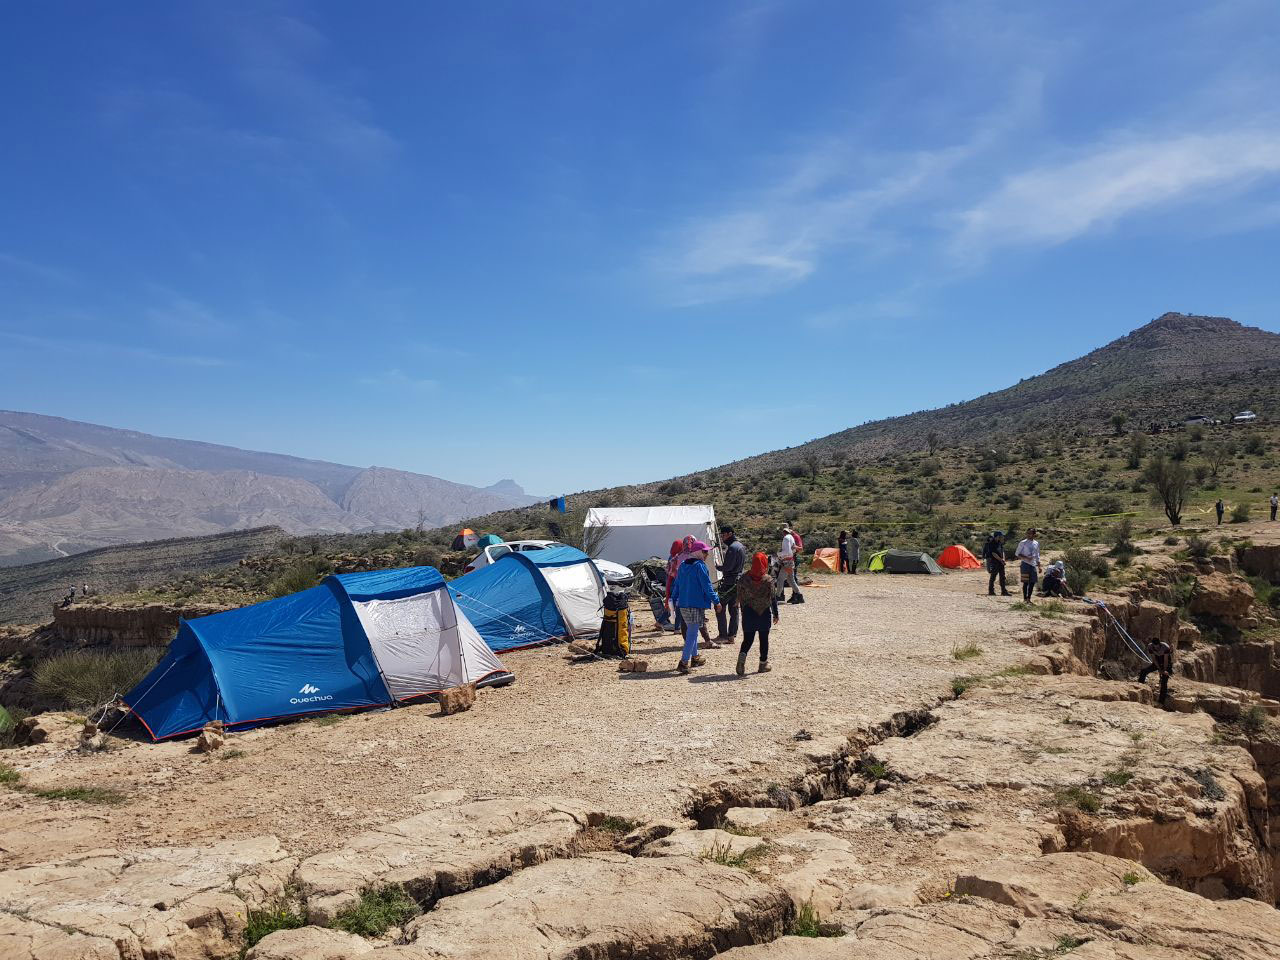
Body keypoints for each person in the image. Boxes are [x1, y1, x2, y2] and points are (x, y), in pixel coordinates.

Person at [669, 540, 723, 674]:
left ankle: (695, 658)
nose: (707, 554)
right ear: (698, 552)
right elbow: (707, 586)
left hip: (683, 604)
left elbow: (677, 585)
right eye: (705, 552)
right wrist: (716, 601)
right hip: (695, 604)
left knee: (692, 633)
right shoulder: (700, 566)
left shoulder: (682, 565)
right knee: (692, 633)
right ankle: (683, 662)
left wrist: (673, 599)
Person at [736, 552, 779, 675]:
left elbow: (739, 597)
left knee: (748, 639)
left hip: (749, 613)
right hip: (764, 613)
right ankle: (762, 664)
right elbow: (773, 598)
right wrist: (776, 614)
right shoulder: (768, 580)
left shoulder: (743, 578)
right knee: (763, 639)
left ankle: (741, 660)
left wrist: (743, 610)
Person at [715, 526, 747, 641]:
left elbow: (728, 567)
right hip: (738, 581)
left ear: (729, 534)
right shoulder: (741, 546)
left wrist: (718, 567)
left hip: (729, 582)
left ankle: (723, 634)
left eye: (723, 535)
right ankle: (732, 635)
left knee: (719, 607)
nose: (722, 538)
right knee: (734, 609)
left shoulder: (732, 548)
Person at [1138, 636, 1174, 704]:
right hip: (1157, 661)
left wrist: (1164, 670)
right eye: (1155, 647)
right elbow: (1154, 659)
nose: (1156, 648)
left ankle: (1161, 701)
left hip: (1166, 663)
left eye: (1157, 646)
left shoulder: (1165, 647)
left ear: (1159, 644)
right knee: (1143, 671)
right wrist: (1159, 669)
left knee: (1164, 680)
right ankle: (1139, 687)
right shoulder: (1150, 647)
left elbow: (1166, 660)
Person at [776, 525, 804, 604]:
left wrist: (778, 554)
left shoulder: (786, 538)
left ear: (783, 532)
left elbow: (787, 552)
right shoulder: (791, 537)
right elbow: (793, 549)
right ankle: (799, 596)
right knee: (791, 580)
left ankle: (777, 596)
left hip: (787, 562)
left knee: (780, 579)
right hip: (791, 561)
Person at [1015, 528, 1041, 603]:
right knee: (1025, 582)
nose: (1028, 535)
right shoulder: (1023, 542)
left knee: (1032, 582)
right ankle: (1025, 599)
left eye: (1030, 533)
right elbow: (1017, 553)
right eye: (1027, 533)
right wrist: (1026, 557)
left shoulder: (1036, 543)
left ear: (1034, 534)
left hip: (1033, 565)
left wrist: (1039, 566)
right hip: (1025, 564)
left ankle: (1029, 598)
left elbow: (1037, 555)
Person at [983, 531, 1011, 596]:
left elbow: (1002, 551)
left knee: (1002, 577)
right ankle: (991, 591)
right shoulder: (991, 543)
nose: (1002, 537)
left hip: (1001, 562)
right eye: (1001, 536)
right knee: (993, 577)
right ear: (997, 536)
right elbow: (993, 553)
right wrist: (1001, 560)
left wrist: (1003, 559)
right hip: (994, 562)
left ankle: (1003, 591)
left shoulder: (999, 543)